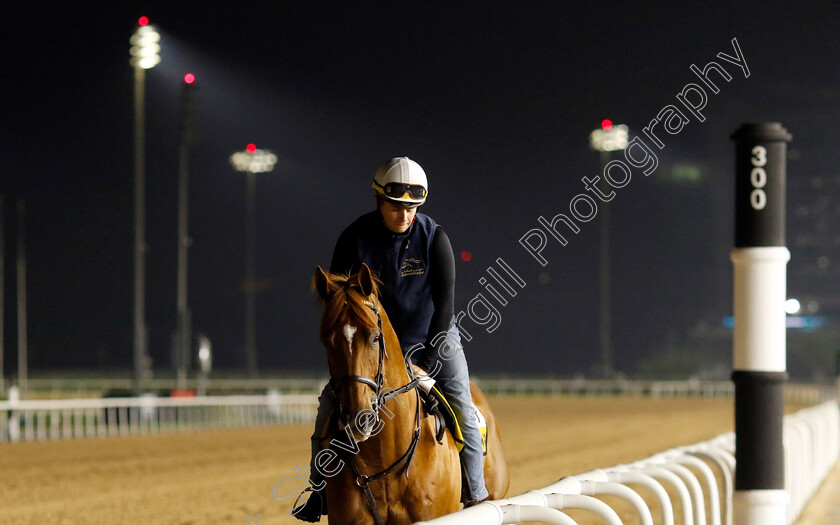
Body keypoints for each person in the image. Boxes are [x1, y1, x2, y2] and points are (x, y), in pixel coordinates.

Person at [293, 157, 488, 522]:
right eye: (397, 207)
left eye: (412, 208)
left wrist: (427, 363)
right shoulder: (353, 239)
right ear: (378, 200)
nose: (405, 216)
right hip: (372, 342)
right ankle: (318, 492)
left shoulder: (436, 239)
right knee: (327, 408)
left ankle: (475, 491)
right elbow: (339, 302)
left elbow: (445, 309)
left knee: (461, 402)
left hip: (433, 337)